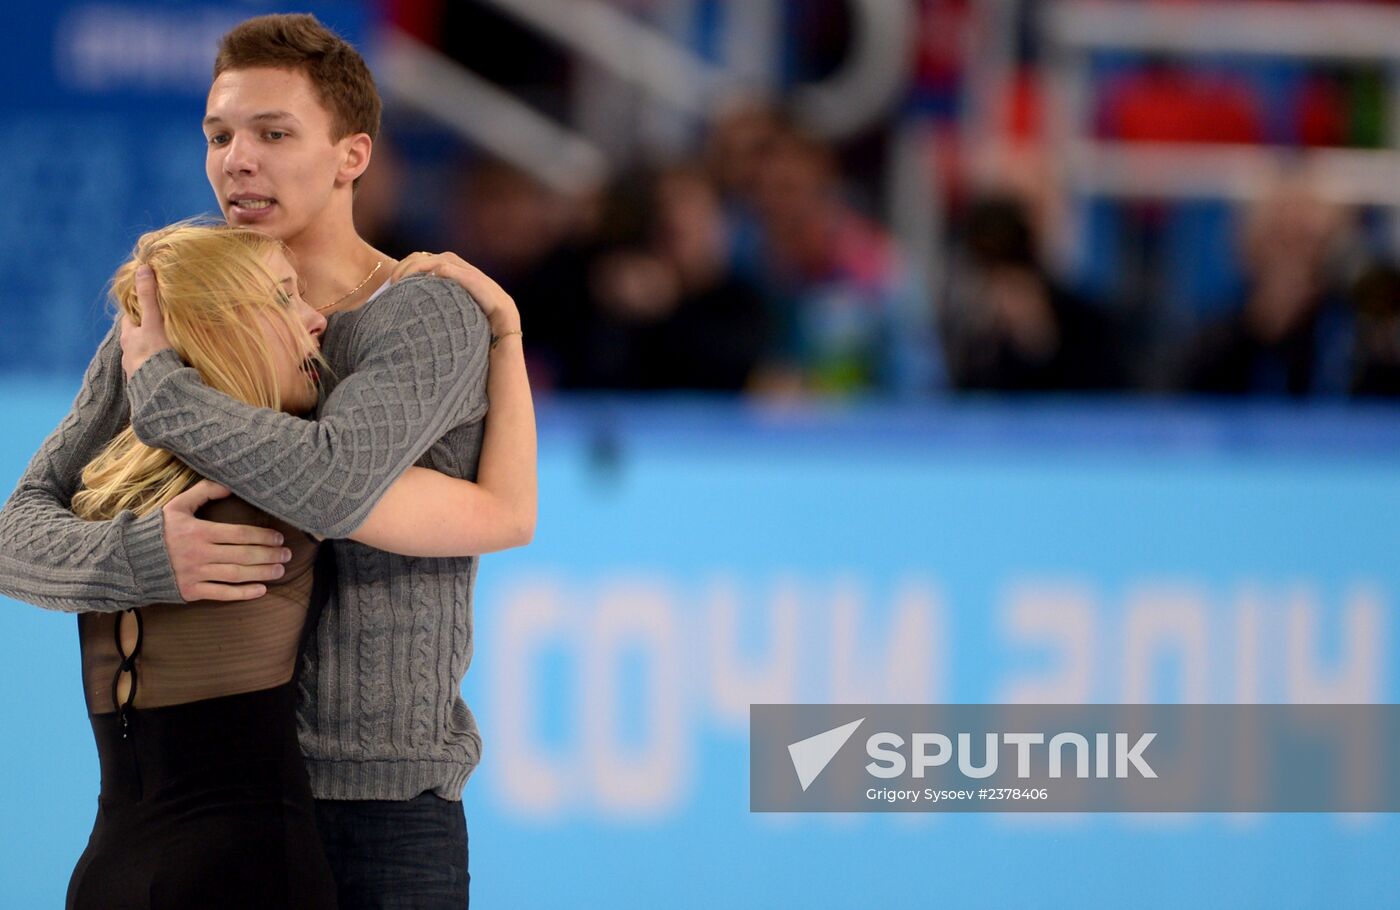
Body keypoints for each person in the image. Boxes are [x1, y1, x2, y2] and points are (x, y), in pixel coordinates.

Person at [0, 14, 535, 907]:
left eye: (273, 133)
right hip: (208, 802)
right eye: (219, 135)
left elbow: (327, 482)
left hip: (380, 807)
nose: (236, 159)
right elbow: (16, 532)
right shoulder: (176, 311)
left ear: (351, 156)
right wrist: (141, 557)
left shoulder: (419, 314)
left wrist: (168, 395)